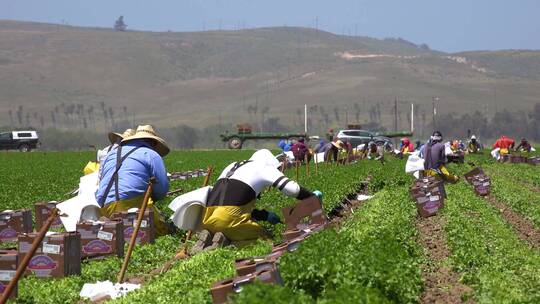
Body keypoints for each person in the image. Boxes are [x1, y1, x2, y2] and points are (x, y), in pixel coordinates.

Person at [198, 149, 321, 247]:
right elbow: (293, 189)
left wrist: (265, 215)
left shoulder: (232, 166)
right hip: (229, 220)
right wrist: (312, 197)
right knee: (268, 241)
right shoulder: (264, 168)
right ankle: (229, 244)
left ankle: (212, 235)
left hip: (207, 218)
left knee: (228, 224)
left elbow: (232, 201)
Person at [95, 125, 170, 236]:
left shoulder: (111, 154)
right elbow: (161, 188)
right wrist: (153, 199)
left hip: (103, 205)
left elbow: (101, 180)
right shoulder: (151, 154)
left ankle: (112, 226)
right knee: (161, 229)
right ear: (153, 143)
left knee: (118, 234)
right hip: (129, 204)